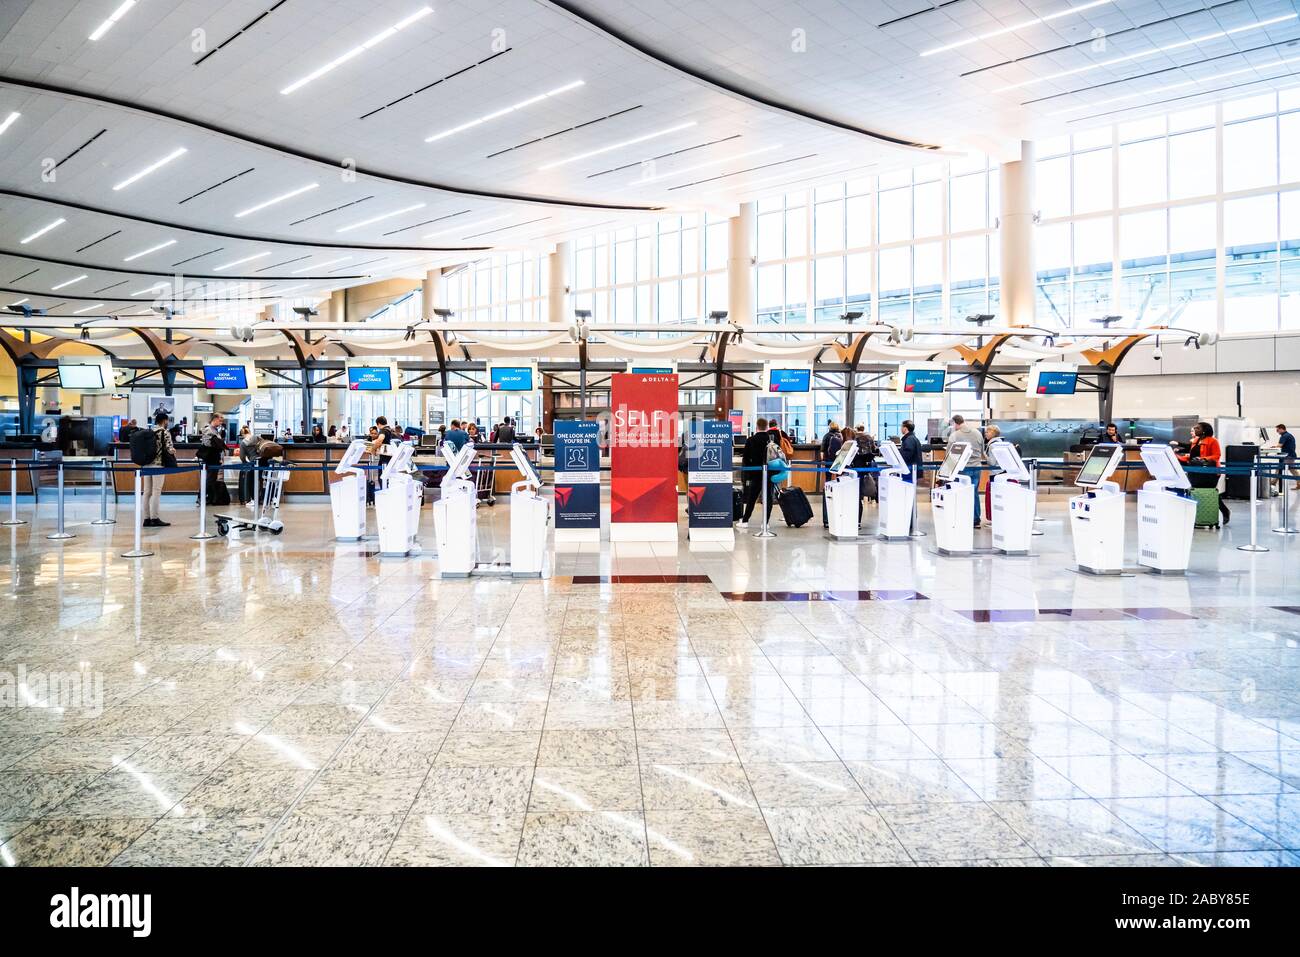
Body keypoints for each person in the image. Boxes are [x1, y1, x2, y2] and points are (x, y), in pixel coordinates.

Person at [1178, 420, 1230, 525]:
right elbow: (1191, 456)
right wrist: (1178, 458)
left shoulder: (1213, 441)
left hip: (1209, 472)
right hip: (1195, 471)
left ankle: (1225, 511)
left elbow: (1216, 456)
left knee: (1210, 492)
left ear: (1204, 430)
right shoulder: (1195, 441)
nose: (1195, 429)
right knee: (1197, 492)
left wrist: (1204, 459)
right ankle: (1197, 517)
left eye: (1198, 428)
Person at [946, 414, 986, 528]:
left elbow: (949, 454)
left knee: (962, 493)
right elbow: (982, 450)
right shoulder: (978, 433)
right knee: (974, 492)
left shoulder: (955, 435)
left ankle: (964, 518)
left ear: (955, 423)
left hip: (962, 469)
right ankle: (976, 520)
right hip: (977, 467)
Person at [739, 418, 778, 528]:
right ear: (767, 427)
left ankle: (745, 521)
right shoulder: (771, 440)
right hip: (769, 473)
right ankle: (765, 523)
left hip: (755, 473)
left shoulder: (751, 440)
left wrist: (746, 474)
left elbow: (745, 458)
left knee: (752, 497)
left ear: (756, 426)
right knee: (768, 498)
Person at [142, 411, 177, 528]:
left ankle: (146, 519)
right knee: (156, 491)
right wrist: (173, 451)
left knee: (147, 492)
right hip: (158, 465)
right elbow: (169, 449)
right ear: (165, 420)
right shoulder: (164, 432)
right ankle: (154, 518)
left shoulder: (148, 431)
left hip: (146, 465)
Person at [197, 413, 227, 504]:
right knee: (209, 479)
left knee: (212, 479)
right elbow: (206, 443)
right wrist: (217, 443)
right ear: (215, 419)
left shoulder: (216, 430)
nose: (221, 422)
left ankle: (209, 497)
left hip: (215, 457)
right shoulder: (208, 429)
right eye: (220, 420)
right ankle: (201, 497)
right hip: (210, 458)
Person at [1274, 424, 1298, 491]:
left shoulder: (1284, 436)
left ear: (1282, 429)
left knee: (1279, 468)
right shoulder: (1288, 435)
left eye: (1277, 430)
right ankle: (1299, 483)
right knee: (1293, 470)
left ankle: (1273, 483)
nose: (1277, 431)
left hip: (1288, 456)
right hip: (1291, 455)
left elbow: (1279, 446)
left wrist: (1273, 447)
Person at [237, 426, 256, 505]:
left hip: (252, 462)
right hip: (263, 461)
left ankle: (251, 499)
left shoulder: (243, 442)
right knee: (260, 480)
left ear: (242, 434)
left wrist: (245, 463)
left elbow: (242, 456)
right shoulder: (256, 438)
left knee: (250, 481)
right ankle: (259, 498)